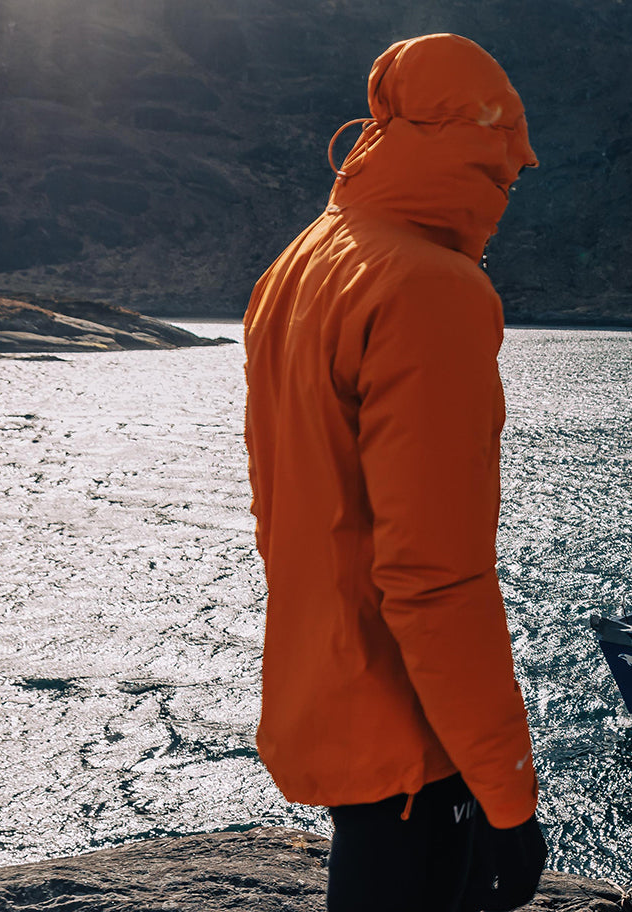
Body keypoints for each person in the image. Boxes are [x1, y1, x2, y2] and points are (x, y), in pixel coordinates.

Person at [243, 34, 546, 912]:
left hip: (331, 690)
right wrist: (506, 793)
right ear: (487, 151)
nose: (513, 183)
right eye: (507, 166)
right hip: (416, 732)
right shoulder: (430, 289)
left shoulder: (304, 261)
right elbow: (433, 576)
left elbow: (284, 506)